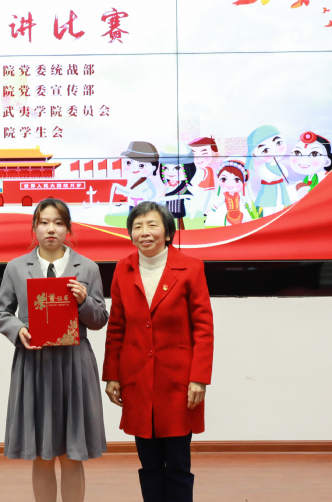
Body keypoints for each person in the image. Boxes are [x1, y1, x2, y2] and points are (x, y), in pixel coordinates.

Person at [0, 198, 108, 502]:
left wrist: (84, 302)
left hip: (74, 364)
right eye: (44, 222)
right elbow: (1, 312)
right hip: (35, 363)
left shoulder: (88, 268)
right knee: (42, 453)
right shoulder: (17, 267)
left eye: (58, 223)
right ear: (34, 227)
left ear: (68, 228)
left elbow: (99, 319)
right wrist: (18, 330)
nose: (51, 229)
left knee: (72, 453)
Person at [103, 201, 213, 502]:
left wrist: (199, 378)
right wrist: (112, 376)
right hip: (138, 380)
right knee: (149, 463)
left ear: (167, 232)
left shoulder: (191, 268)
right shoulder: (123, 269)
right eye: (137, 226)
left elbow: (203, 328)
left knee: (177, 464)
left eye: (152, 225)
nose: (144, 232)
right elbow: (117, 327)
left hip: (178, 382)